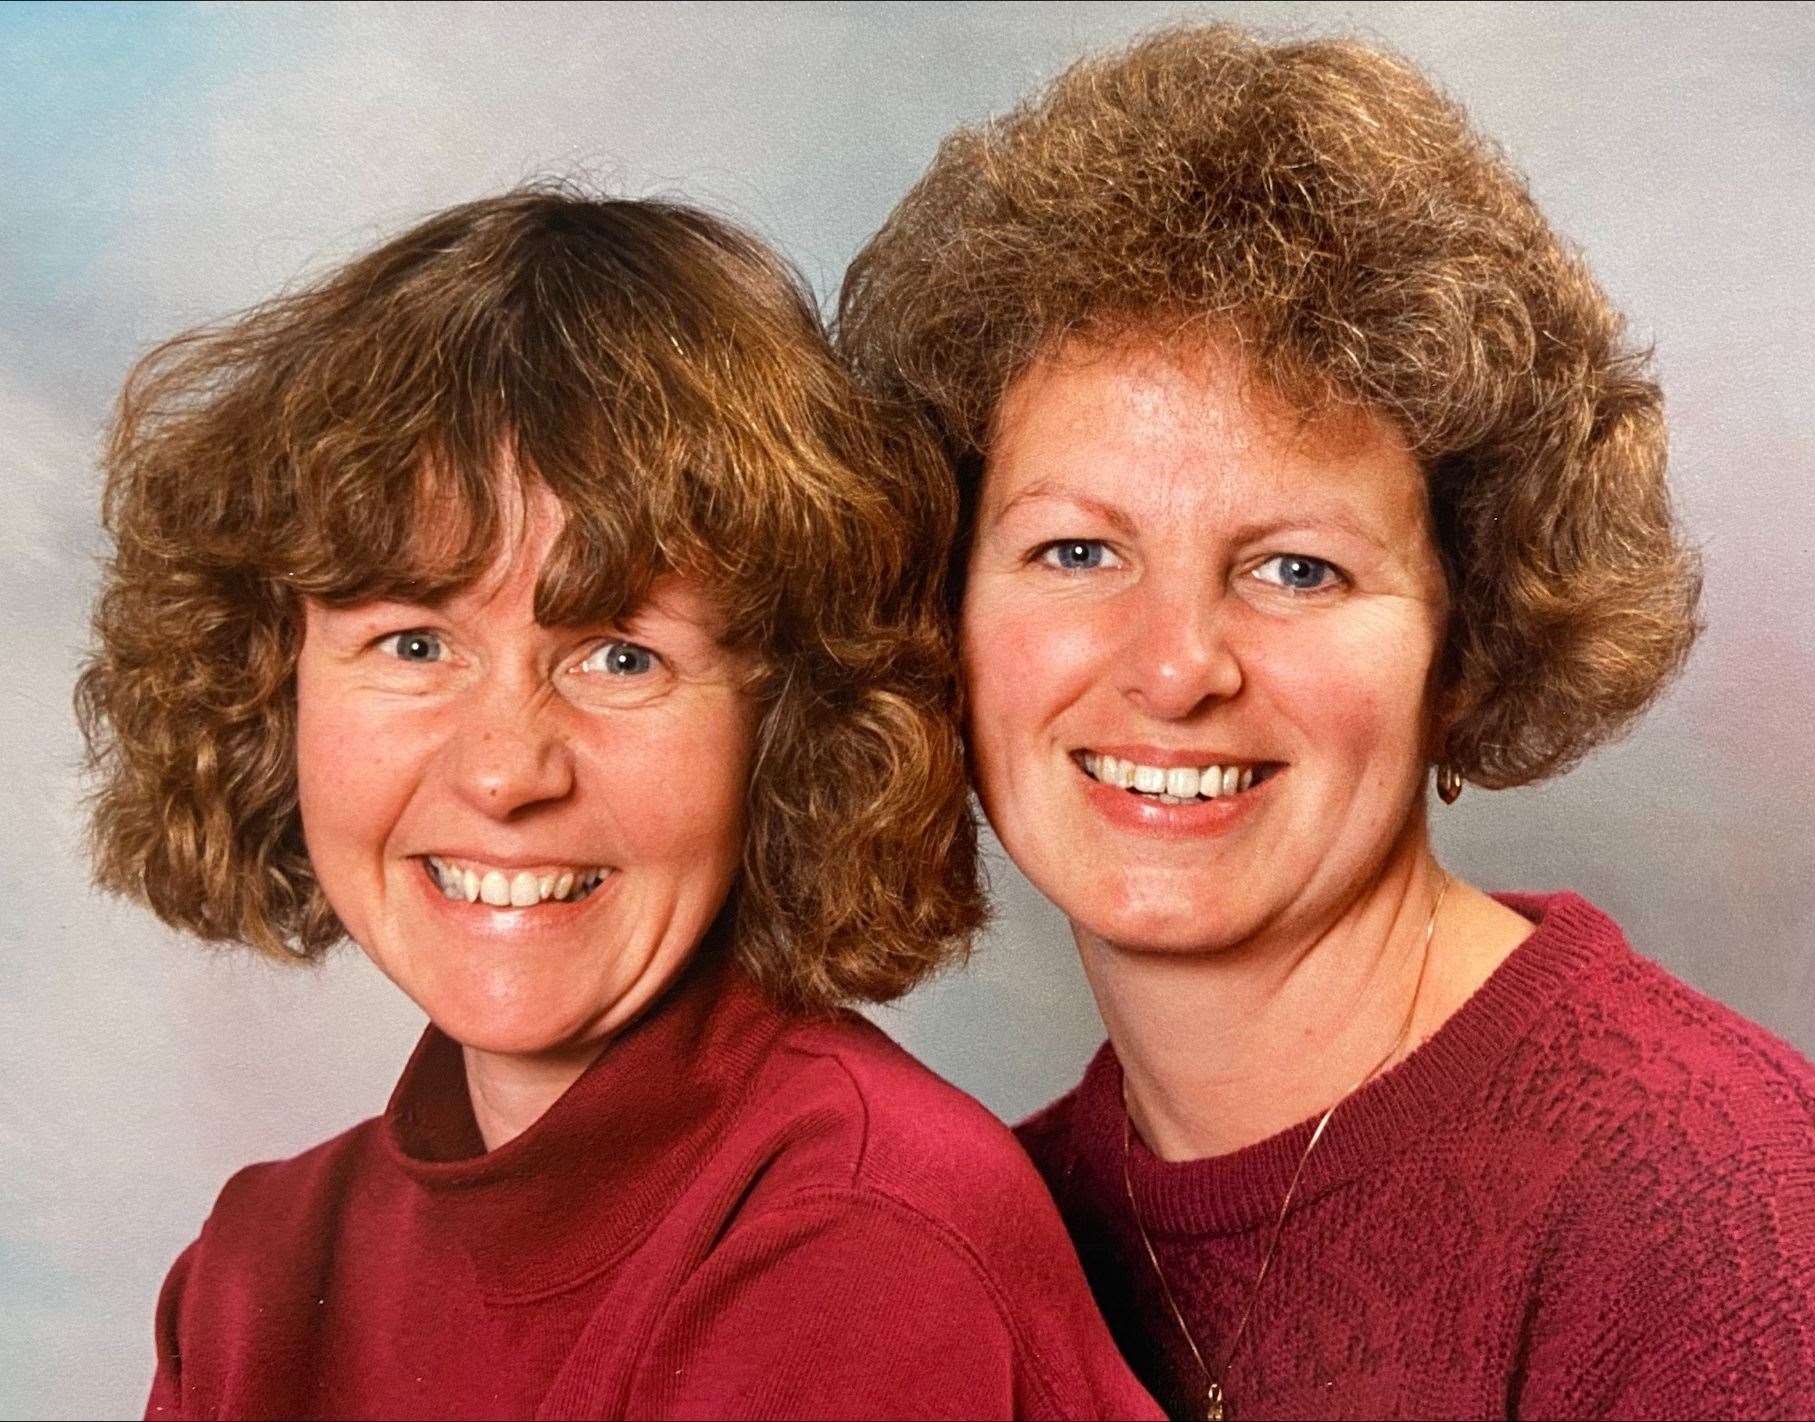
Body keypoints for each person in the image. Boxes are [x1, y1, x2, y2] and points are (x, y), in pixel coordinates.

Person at [838, 25, 1815, 1421]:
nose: (1173, 668)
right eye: (1075, 551)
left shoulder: (1699, 1198)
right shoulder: (982, 1226)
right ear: (943, 613)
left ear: (1467, 638)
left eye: (1295, 568)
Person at [78, 188, 1160, 1420]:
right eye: (413, 643)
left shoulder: (858, 1240)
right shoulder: (256, 1273)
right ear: (270, 684)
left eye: (618, 657)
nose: (503, 771)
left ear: (791, 727)